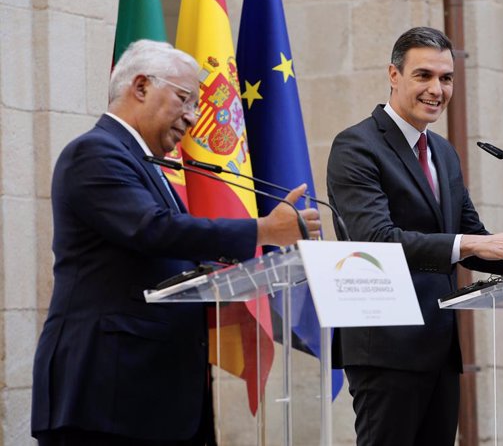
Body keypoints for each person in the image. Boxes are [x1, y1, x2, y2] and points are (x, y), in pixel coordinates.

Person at [31, 40, 320, 446]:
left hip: (155, 396)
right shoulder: (94, 153)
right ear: (142, 86)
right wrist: (264, 230)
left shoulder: (142, 161)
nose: (193, 117)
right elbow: (154, 230)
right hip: (108, 394)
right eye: (185, 99)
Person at [326, 27, 503, 446]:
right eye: (424, 75)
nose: (437, 89)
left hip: (438, 346)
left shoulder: (442, 152)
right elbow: (375, 239)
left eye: (446, 78)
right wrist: (469, 244)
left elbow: (473, 237)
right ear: (393, 74)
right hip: (386, 345)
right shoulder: (356, 146)